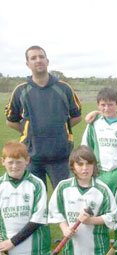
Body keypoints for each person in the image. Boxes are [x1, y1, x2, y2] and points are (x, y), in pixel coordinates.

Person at [5, 45, 82, 188]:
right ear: (28, 64)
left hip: (61, 157)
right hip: (32, 158)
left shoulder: (64, 88)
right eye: (33, 58)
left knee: (63, 200)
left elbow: (77, 116)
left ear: (47, 61)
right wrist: (29, 131)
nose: (38, 60)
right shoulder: (20, 91)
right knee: (35, 200)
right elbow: (11, 121)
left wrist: (61, 128)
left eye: (41, 57)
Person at [48, 146, 117, 255]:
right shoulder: (64, 187)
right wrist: (64, 229)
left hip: (97, 247)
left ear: (94, 166)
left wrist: (91, 221)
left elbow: (112, 216)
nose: (85, 168)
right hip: (73, 246)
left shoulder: (102, 189)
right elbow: (56, 211)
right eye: (80, 164)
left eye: (88, 164)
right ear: (72, 167)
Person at [0, 140, 49, 255]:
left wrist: (13, 241)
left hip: (35, 252)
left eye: (18, 162)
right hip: (8, 250)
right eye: (10, 162)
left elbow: (38, 219)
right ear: (3, 161)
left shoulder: (36, 184)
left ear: (27, 160)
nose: (14, 166)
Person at [81, 87, 117, 194]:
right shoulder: (93, 123)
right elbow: (85, 151)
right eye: (103, 105)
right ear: (98, 105)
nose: (106, 108)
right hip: (98, 173)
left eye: (110, 104)